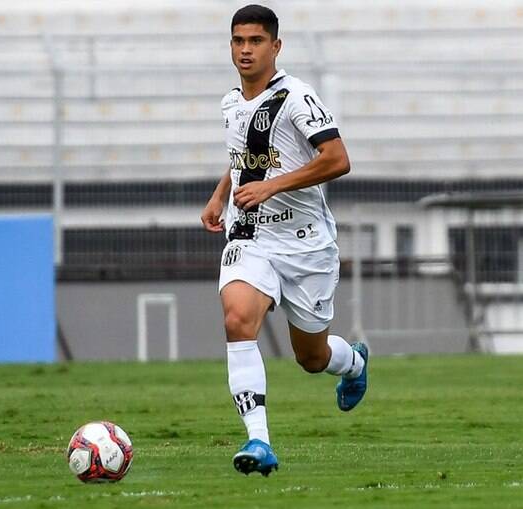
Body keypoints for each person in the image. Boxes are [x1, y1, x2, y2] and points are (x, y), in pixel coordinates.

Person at [200, 4, 368, 477]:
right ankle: (259, 440)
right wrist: (219, 197)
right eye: (238, 41)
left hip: (305, 243)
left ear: (276, 46)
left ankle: (352, 363)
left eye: (255, 41)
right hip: (250, 235)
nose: (246, 50)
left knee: (310, 358)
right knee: (236, 319)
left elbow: (337, 159)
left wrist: (271, 186)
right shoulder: (231, 102)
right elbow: (243, 158)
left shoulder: (297, 97)